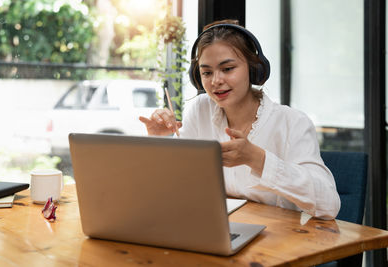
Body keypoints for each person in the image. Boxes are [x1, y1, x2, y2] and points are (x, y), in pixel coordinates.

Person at [139, 19, 340, 220]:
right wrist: (159, 140)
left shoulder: (292, 122)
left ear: (252, 69)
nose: (216, 81)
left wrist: (257, 159)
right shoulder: (199, 110)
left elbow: (329, 205)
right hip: (217, 230)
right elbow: (173, 186)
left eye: (227, 69)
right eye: (207, 72)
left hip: (278, 241)